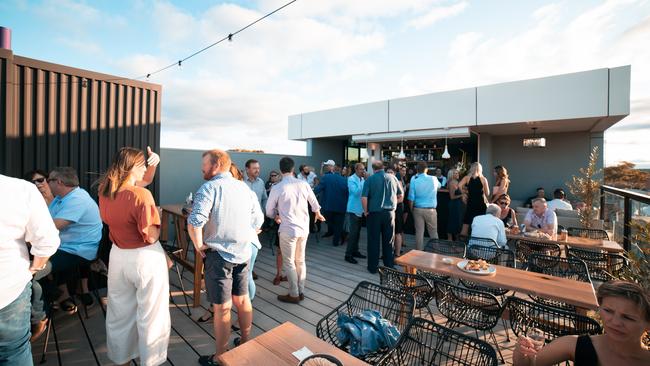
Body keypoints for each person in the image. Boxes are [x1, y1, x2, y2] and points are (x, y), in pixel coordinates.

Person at [187, 150, 263, 365]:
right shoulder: (244, 188)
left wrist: (198, 244)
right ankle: (246, 340)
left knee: (222, 307)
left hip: (219, 255)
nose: (201, 168)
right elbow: (258, 221)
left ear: (217, 164)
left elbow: (194, 222)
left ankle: (221, 357)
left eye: (204, 164)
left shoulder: (209, 188)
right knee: (242, 299)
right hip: (243, 252)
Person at [98, 147, 170, 366]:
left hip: (118, 257)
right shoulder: (142, 195)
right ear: (133, 167)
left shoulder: (105, 190)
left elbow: (143, 181)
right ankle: (151, 361)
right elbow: (150, 235)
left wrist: (154, 163)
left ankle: (121, 359)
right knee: (152, 316)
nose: (145, 170)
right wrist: (155, 215)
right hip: (144, 258)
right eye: (143, 166)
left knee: (120, 313)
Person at [513, 280, 650, 366]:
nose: (615, 322)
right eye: (608, 311)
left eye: (628, 318)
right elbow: (530, 364)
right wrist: (522, 353)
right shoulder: (575, 345)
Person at [0, 174, 60, 366]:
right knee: (14, 352)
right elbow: (48, 237)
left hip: (74, 249)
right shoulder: (20, 190)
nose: (40, 183)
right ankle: (40, 317)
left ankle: (41, 313)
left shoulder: (62, 199)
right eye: (37, 180)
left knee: (40, 275)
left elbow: (58, 225)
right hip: (10, 284)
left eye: (42, 179)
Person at [266, 157, 325, 303]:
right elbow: (314, 203)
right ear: (293, 169)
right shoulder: (303, 184)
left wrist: (275, 216)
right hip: (304, 229)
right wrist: (317, 213)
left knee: (289, 263)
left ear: (281, 170)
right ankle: (301, 291)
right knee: (300, 261)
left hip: (287, 229)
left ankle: (294, 294)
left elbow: (268, 211)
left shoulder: (277, 187)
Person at [47, 166, 103, 311]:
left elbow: (52, 226)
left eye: (49, 180)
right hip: (65, 245)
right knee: (34, 260)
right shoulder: (61, 198)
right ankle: (55, 297)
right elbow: (46, 220)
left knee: (36, 269)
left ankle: (41, 313)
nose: (47, 183)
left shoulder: (77, 199)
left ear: (58, 182)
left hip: (79, 250)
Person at [362, 160, 403, 274]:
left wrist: (365, 211)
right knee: (389, 240)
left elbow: (364, 198)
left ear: (373, 168)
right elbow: (400, 195)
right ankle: (388, 265)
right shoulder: (393, 178)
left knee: (373, 240)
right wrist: (393, 205)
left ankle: (373, 267)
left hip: (374, 213)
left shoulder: (369, 179)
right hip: (390, 213)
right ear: (383, 167)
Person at [314, 162, 348, 247]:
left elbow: (318, 189)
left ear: (333, 169)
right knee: (338, 224)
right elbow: (348, 193)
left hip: (329, 206)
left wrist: (308, 194)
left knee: (329, 222)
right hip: (341, 206)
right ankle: (336, 242)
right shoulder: (345, 180)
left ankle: (341, 234)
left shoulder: (326, 177)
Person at [408, 162, 441, 250]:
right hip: (431, 210)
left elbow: (411, 197)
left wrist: (411, 210)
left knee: (419, 232)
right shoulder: (433, 178)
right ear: (426, 169)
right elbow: (440, 186)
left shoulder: (414, 179)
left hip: (417, 209)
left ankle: (419, 253)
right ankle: (435, 252)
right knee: (433, 232)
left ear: (417, 170)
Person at [459, 162, 490, 237]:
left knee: (466, 223)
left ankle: (463, 244)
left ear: (471, 168)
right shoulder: (483, 179)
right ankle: (478, 243)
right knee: (480, 225)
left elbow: (459, 185)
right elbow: (487, 193)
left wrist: (463, 193)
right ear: (480, 169)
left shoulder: (467, 178)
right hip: (480, 204)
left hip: (470, 203)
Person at [344, 163, 367, 264]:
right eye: (361, 169)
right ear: (356, 170)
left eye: (364, 169)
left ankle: (355, 251)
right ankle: (348, 255)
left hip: (361, 209)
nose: (363, 171)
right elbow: (356, 192)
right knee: (353, 234)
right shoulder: (351, 179)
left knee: (357, 233)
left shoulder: (362, 179)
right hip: (353, 209)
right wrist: (365, 182)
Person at [387, 168, 405, 257]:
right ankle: (389, 252)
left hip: (397, 209)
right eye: (388, 172)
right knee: (389, 231)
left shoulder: (398, 182)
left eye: (391, 172)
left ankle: (397, 253)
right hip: (389, 210)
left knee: (397, 232)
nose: (389, 174)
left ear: (394, 173)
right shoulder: (385, 182)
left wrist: (391, 204)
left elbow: (401, 198)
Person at [447, 169, 464, 241]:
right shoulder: (451, 183)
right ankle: (450, 239)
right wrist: (462, 195)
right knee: (453, 221)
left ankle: (456, 240)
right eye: (455, 173)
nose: (458, 174)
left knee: (457, 221)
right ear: (452, 175)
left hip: (458, 204)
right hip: (454, 204)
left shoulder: (457, 182)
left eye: (458, 173)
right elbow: (452, 197)